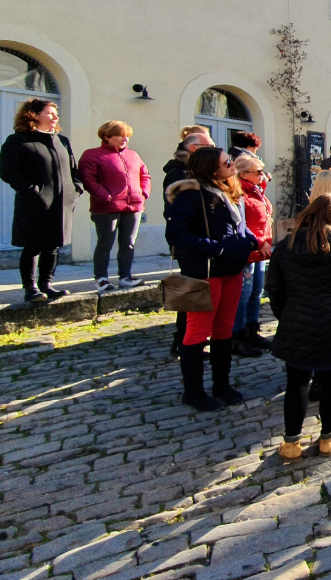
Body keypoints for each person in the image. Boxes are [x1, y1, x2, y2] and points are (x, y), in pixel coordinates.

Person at [267, 194, 331, 461]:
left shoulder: (286, 245)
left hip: (297, 321)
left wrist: (287, 316)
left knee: (297, 383)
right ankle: (326, 437)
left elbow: (275, 290)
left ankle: (291, 443)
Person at [165, 147, 258, 411]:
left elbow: (238, 225)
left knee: (224, 330)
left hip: (231, 270)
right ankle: (193, 392)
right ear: (210, 168)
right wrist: (217, 247)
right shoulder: (189, 195)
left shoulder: (231, 191)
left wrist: (250, 239)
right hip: (203, 273)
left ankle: (222, 385)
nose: (232, 166)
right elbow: (177, 235)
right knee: (196, 332)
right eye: (227, 163)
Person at [0, 99, 83, 302]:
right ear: (33, 115)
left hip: (62, 203)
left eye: (56, 113)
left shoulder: (61, 140)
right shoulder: (18, 141)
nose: (55, 117)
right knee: (33, 245)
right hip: (34, 203)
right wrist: (32, 191)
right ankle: (31, 289)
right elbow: (7, 171)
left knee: (53, 245)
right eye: (50, 113)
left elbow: (73, 170)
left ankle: (47, 284)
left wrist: (76, 189)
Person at [78, 120, 151, 293]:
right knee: (105, 242)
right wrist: (104, 195)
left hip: (133, 206)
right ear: (107, 136)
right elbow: (87, 178)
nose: (125, 139)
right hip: (106, 208)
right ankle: (101, 278)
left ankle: (125, 276)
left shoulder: (133, 155)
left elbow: (144, 175)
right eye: (120, 135)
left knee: (128, 243)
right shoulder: (92, 155)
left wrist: (143, 193)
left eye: (127, 135)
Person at [162, 129, 215, 355]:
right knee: (191, 292)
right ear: (194, 148)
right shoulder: (179, 174)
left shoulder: (196, 171)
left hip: (203, 241)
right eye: (209, 147)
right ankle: (183, 341)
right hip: (191, 243)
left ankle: (194, 337)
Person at [230, 153, 274, 358]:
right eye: (258, 172)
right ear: (243, 173)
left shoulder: (256, 190)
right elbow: (241, 224)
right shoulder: (237, 192)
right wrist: (258, 241)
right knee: (242, 295)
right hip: (247, 249)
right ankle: (236, 336)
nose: (262, 175)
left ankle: (251, 329)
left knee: (257, 291)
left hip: (261, 250)